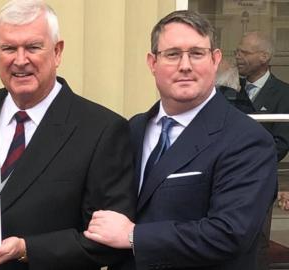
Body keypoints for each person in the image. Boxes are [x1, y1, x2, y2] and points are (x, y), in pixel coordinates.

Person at [84, 10, 278, 270]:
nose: (185, 65)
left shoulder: (249, 140)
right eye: (173, 54)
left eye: (196, 53)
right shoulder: (133, 129)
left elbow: (230, 233)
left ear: (215, 60)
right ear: (153, 63)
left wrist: (134, 237)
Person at [0, 0, 135, 269]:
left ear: (58, 51)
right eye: (9, 48)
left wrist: (27, 249)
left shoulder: (102, 130)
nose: (20, 60)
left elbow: (107, 243)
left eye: (33, 47)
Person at [235, 31, 289, 162]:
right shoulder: (230, 89)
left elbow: (280, 145)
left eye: (245, 53)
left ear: (264, 57)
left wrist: (244, 163)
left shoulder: (284, 94)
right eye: (237, 52)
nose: (237, 56)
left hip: (261, 174)